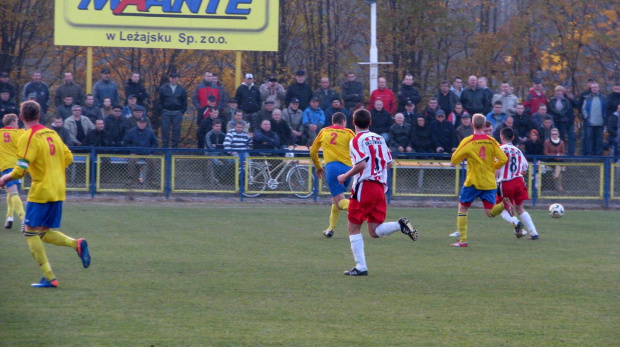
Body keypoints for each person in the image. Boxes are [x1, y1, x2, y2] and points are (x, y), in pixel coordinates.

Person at [0, 100, 91, 288]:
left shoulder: (28, 136)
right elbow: (69, 157)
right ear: (39, 115)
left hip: (41, 189)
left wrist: (4, 178)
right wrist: (53, 170)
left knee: (29, 232)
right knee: (42, 232)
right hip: (58, 189)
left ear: (23, 117)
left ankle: (50, 278)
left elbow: (20, 169)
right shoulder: (53, 133)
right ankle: (77, 244)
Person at [336, 109, 418, 276]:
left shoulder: (356, 139)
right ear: (370, 122)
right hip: (380, 187)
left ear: (354, 122)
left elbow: (361, 165)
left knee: (353, 226)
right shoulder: (380, 138)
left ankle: (361, 267)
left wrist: (345, 176)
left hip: (365, 186)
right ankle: (399, 225)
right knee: (374, 230)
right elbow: (388, 163)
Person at [449, 113, 511, 247]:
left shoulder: (468, 141)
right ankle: (503, 205)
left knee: (463, 208)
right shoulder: (492, 141)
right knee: (489, 212)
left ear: (472, 124)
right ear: (484, 125)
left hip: (473, 181)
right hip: (489, 182)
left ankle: (463, 241)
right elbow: (503, 159)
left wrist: (459, 160)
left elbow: (454, 159)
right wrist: (493, 166)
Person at [310, 112, 356, 238]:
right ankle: (330, 228)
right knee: (336, 199)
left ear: (333, 121)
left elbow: (313, 150)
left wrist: (318, 167)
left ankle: (359, 209)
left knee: (339, 201)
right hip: (348, 169)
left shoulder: (324, 131)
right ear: (343, 122)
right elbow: (358, 148)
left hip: (333, 168)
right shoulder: (349, 133)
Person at [495, 127, 539, 240]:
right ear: (513, 137)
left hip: (505, 183)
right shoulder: (518, 151)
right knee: (520, 208)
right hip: (519, 182)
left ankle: (516, 223)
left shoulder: (499, 149)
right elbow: (524, 169)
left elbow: (496, 167)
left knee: (501, 209)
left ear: (501, 137)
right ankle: (534, 233)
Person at [0, 114, 25, 229]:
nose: (18, 124)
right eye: (17, 121)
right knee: (13, 192)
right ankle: (23, 219)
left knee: (11, 191)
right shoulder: (19, 133)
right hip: (16, 166)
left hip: (4, 166)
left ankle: (10, 217)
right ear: (12, 122)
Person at [159, 72, 187, 148]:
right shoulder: (163, 88)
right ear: (169, 78)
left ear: (177, 79)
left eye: (175, 78)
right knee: (165, 131)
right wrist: (161, 111)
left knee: (176, 131)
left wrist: (181, 112)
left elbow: (184, 102)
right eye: (172, 78)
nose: (174, 80)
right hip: (166, 112)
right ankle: (165, 149)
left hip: (177, 112)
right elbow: (159, 101)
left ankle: (174, 150)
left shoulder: (181, 89)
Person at [581, 82, 606, 156]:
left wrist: (604, 117)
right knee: (589, 138)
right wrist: (586, 117)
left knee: (599, 138)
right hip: (590, 122)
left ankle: (598, 153)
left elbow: (606, 109)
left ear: (598, 88)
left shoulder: (604, 98)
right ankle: (589, 153)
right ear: (591, 89)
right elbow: (584, 108)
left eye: (596, 87)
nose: (594, 89)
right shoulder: (587, 97)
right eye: (593, 87)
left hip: (600, 122)